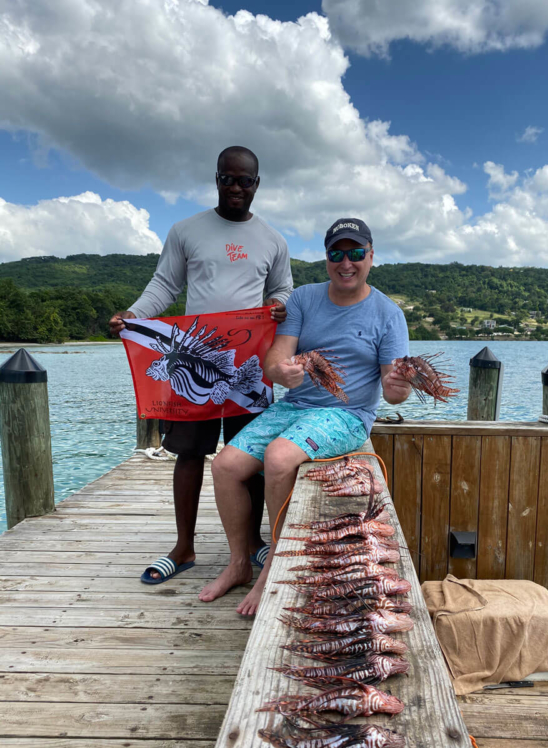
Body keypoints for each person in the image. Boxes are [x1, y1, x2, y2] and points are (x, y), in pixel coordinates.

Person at [201, 217, 411, 615]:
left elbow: (393, 388)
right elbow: (276, 357)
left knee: (279, 457)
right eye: (337, 253)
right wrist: (282, 372)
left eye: (355, 253)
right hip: (294, 405)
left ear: (371, 257)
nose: (345, 262)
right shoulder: (303, 299)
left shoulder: (388, 314)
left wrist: (400, 387)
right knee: (226, 464)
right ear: (326, 257)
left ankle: (274, 569)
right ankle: (239, 564)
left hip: (347, 413)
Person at [109, 146, 293, 583]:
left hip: (248, 365)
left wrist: (277, 305)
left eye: (244, 181)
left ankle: (250, 543)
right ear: (216, 179)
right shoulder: (185, 230)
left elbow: (284, 289)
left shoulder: (274, 240)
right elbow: (164, 285)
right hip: (194, 358)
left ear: (256, 185)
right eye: (227, 179)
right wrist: (134, 316)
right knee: (189, 453)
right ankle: (184, 547)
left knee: (247, 456)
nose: (235, 187)